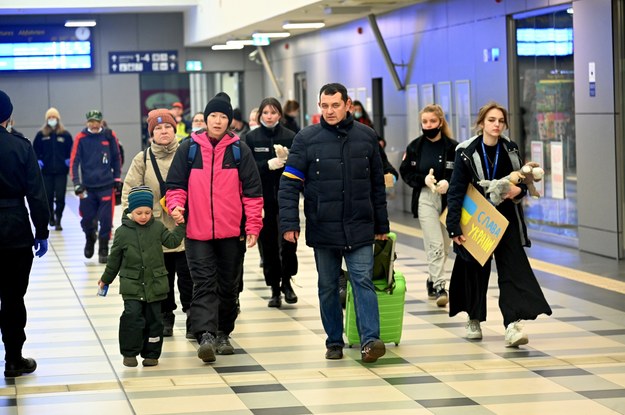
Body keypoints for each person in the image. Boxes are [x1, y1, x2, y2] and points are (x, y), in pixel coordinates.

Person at [278, 82, 389, 363]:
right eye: (324, 106)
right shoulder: (306, 139)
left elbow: (377, 184)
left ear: (348, 105)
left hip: (360, 224)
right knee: (327, 285)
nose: (329, 111)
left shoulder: (366, 137)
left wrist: (382, 227)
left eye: (335, 105)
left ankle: (369, 341)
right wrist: (289, 222)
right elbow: (289, 184)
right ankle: (334, 341)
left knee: (362, 281)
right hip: (322, 224)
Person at [166, 92, 263, 363]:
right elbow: (175, 185)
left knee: (229, 286)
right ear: (206, 119)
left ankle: (223, 332)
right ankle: (205, 335)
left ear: (229, 121)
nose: (217, 121)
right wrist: (176, 206)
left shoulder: (238, 150)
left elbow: (253, 192)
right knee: (204, 282)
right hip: (197, 232)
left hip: (231, 233)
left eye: (223, 117)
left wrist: (254, 224)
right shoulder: (189, 148)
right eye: (213, 116)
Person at [445, 101, 552, 346]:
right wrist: (454, 226)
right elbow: (456, 190)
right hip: (477, 218)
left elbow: (523, 181)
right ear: (481, 123)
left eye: (501, 121)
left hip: (506, 220)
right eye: (492, 120)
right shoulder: (466, 151)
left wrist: (519, 191)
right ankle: (474, 318)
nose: (497, 125)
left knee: (512, 268)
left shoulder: (510, 149)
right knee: (474, 269)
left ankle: (512, 325)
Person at [122, 109, 194, 338]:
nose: (163, 131)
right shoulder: (142, 159)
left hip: (184, 226)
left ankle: (193, 315)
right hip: (155, 230)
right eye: (158, 128)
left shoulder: (188, 153)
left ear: (175, 130)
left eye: (168, 127)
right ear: (151, 133)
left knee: (188, 276)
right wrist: (131, 219)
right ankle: (165, 317)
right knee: (161, 278)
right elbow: (129, 191)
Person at [98, 186, 186, 367]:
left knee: (155, 320)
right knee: (132, 316)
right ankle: (129, 353)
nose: (144, 216)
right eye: (139, 212)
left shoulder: (158, 227)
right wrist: (106, 278)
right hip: (132, 284)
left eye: (147, 212)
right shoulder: (122, 232)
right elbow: (114, 259)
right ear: (130, 211)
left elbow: (172, 242)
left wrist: (181, 226)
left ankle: (151, 353)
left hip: (155, 283)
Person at [0, 90, 50, 378]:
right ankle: (13, 359)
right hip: (14, 232)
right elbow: (36, 194)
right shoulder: (20, 146)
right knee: (12, 297)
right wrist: (41, 230)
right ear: (8, 117)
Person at [399, 104, 458, 307]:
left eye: (433, 121)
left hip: (448, 202)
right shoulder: (415, 147)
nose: (429, 125)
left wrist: (448, 182)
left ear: (440, 122)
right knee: (435, 244)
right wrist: (423, 180)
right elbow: (405, 171)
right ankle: (441, 285)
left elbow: (461, 172)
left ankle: (432, 280)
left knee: (445, 245)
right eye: (425, 121)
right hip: (425, 198)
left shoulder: (453, 148)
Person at [246, 97, 298, 308]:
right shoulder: (251, 137)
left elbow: (300, 166)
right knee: (268, 245)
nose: (269, 116)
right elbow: (248, 170)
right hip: (263, 198)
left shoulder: (290, 136)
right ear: (260, 115)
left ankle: (287, 282)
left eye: (273, 112)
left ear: (280, 115)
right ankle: (274, 289)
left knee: (288, 243)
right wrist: (267, 164)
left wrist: (287, 162)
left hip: (286, 198)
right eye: (265, 113)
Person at [70, 110, 123, 264]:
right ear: (87, 122)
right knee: (87, 219)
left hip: (106, 186)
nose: (94, 124)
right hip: (87, 188)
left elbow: (117, 158)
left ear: (101, 121)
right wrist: (77, 183)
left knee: (106, 220)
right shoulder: (81, 138)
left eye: (96, 121)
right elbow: (74, 162)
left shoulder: (109, 136)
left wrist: (117, 178)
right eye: (91, 121)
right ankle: (90, 237)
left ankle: (103, 248)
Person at [33, 107, 74, 231]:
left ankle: (58, 219)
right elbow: (34, 151)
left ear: (58, 119)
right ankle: (50, 216)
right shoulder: (41, 135)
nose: (52, 119)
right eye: (50, 117)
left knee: (60, 197)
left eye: (54, 117)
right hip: (46, 172)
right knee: (48, 197)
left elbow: (72, 151)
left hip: (61, 172)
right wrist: (38, 160)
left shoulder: (65, 135)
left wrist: (68, 160)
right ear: (47, 119)